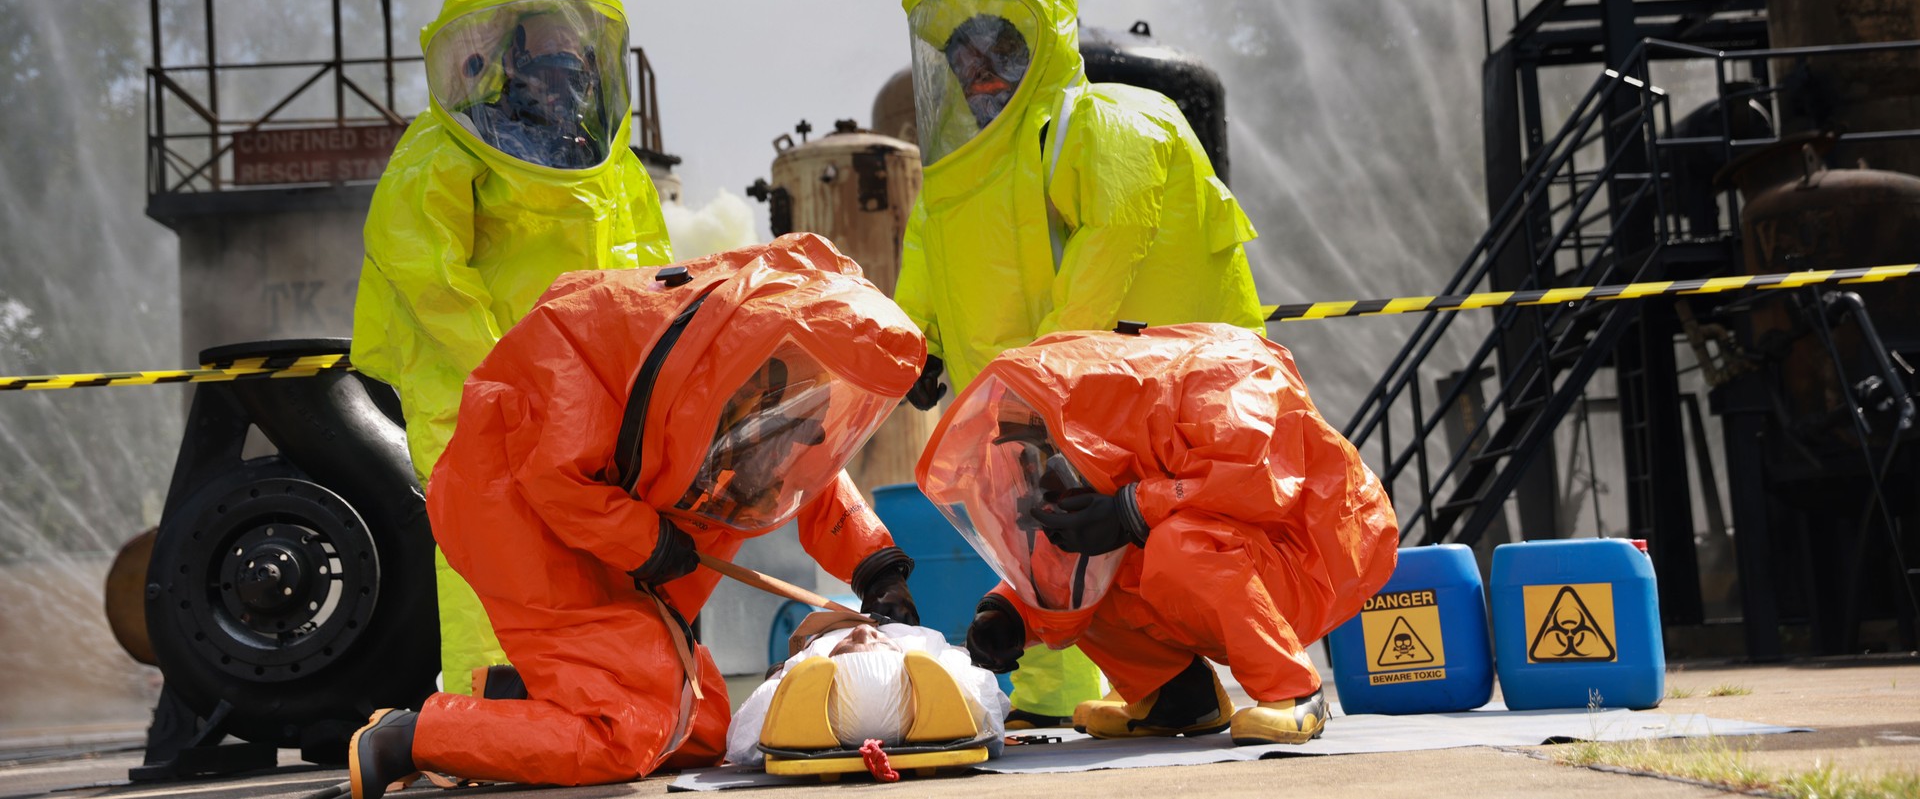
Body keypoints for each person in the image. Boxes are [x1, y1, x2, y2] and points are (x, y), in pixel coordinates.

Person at [347, 235, 926, 797]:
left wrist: (875, 565)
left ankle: (527, 702)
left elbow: (798, 467)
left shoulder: (763, 362)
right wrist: (647, 542)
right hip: (517, 517)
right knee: (622, 735)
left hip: (610, 530)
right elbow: (552, 475)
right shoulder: (606, 348)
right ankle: (412, 737)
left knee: (702, 727)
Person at [892, 0, 1265, 726]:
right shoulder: (959, 174)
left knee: (1140, 544)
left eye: (998, 50)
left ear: (1038, 47)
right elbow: (928, 251)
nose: (978, 71)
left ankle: (1270, 677)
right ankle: (1094, 694)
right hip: (1034, 395)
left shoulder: (1102, 123)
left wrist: (1048, 371)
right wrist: (917, 343)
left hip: (1130, 393)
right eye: (963, 57)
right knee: (1050, 540)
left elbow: (1115, 234)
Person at [351, 0, 673, 695]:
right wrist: (502, 368)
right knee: (489, 540)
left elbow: (647, 272)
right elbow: (424, 271)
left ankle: (585, 704)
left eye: (573, 57)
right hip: (470, 384)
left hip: (576, 389)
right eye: (546, 56)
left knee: (582, 542)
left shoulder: (608, 163)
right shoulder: (448, 144)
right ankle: (489, 708)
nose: (562, 75)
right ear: (511, 59)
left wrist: (640, 373)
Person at [919, 323, 1398, 746]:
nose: (1037, 470)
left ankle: (1292, 691)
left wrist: (1131, 508)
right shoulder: (1107, 432)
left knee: (1176, 544)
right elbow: (1068, 563)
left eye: (1040, 451)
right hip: (1233, 553)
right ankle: (1177, 698)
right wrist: (1011, 613)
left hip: (1313, 556)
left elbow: (1255, 482)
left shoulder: (1220, 372)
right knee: (1092, 559)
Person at [724, 619, 1009, 768]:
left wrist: (781, 679)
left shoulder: (804, 667)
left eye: (846, 645)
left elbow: (743, 741)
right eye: (879, 642)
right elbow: (991, 717)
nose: (861, 629)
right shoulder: (930, 653)